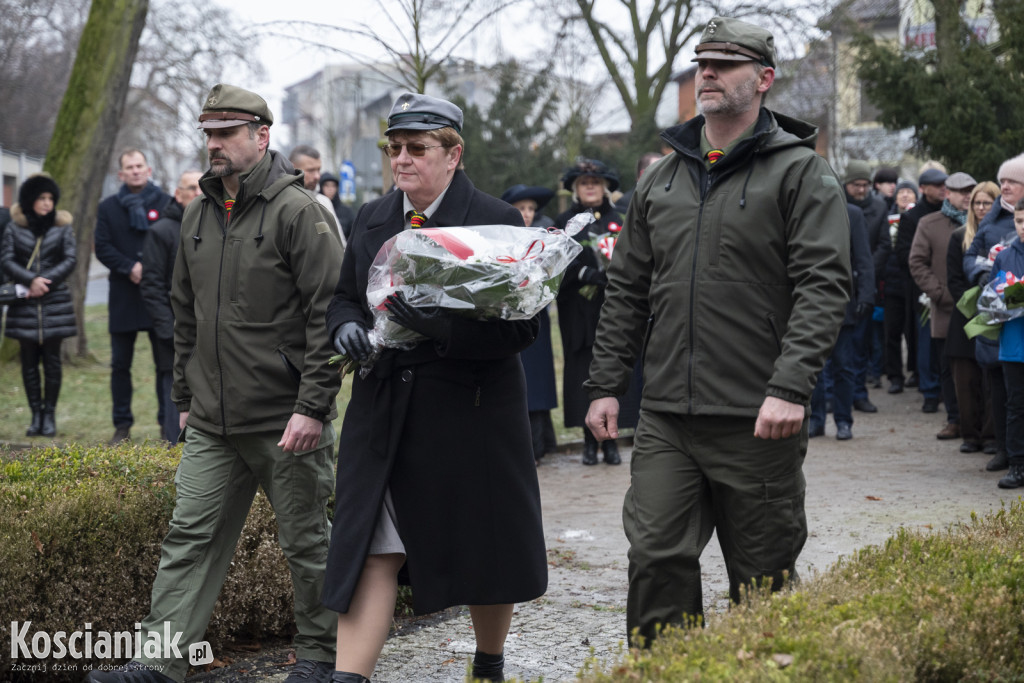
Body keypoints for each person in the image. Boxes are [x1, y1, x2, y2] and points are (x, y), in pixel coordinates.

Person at [584, 16, 850, 644]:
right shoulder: (661, 178)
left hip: (758, 415)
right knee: (655, 559)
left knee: (763, 580)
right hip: (667, 415)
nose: (708, 72)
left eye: (725, 64)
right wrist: (605, 384)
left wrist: (789, 387)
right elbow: (627, 289)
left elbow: (824, 285)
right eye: (703, 61)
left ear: (764, 79)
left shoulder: (800, 173)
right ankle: (663, 672)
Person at [85, 84, 343, 683]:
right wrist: (184, 397)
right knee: (189, 537)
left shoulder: (298, 212)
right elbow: (186, 311)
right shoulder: (198, 213)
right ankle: (159, 662)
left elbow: (328, 315)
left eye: (226, 133)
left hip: (286, 419)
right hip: (211, 420)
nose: (214, 144)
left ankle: (321, 655)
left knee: (306, 543)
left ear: (262, 135)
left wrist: (312, 407)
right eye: (209, 133)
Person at [322, 92, 547, 683]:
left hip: (469, 413)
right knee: (372, 545)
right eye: (394, 147)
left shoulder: (496, 220)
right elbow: (344, 297)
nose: (401, 159)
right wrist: (345, 327)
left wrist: (440, 327)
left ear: (453, 154)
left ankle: (489, 663)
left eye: (416, 148)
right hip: (383, 411)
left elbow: (524, 327)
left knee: (485, 547)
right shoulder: (371, 216)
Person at [555, 157, 641, 466]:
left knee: (613, 365)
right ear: (575, 189)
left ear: (605, 187)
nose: (590, 187)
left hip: (614, 309)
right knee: (583, 371)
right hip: (579, 312)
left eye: (595, 182)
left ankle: (612, 442)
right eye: (584, 183)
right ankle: (589, 443)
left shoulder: (621, 218)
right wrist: (585, 274)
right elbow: (555, 264)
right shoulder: (564, 222)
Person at [94, 149, 173, 444]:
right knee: (120, 365)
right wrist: (129, 267)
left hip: (158, 296)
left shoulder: (166, 203)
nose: (136, 171)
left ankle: (167, 424)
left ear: (148, 170)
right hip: (124, 295)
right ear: (121, 174)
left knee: (165, 364)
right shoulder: (108, 207)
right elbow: (102, 246)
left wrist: (151, 269)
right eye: (130, 167)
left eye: (140, 166)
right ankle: (122, 426)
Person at [0, 173, 76, 437]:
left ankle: (49, 415)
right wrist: (30, 280)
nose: (47, 203)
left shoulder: (62, 227)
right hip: (25, 305)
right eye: (42, 198)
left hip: (55, 303)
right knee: (29, 364)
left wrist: (45, 282)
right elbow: (7, 260)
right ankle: (35, 415)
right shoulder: (14, 228)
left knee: (53, 363)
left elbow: (70, 259)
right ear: (30, 199)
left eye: (50, 198)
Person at [964, 154, 1024, 473]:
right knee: (1001, 393)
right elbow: (971, 254)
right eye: (1002, 181)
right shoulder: (992, 218)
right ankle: (1005, 450)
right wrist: (983, 276)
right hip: (1003, 327)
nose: (1005, 186)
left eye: (1012, 181)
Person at [910, 171, 976, 441]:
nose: (967, 196)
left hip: (978, 307)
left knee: (978, 366)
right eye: (961, 191)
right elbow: (916, 262)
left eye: (970, 191)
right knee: (948, 367)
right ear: (948, 193)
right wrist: (939, 293)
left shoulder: (982, 221)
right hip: (947, 307)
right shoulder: (929, 223)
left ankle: (977, 422)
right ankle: (954, 419)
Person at [138, 170, 203, 444]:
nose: (198, 193)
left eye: (202, 188)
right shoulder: (161, 231)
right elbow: (151, 286)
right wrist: (168, 329)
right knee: (172, 389)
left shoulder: (212, 225)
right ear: (178, 194)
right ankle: (173, 445)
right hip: (172, 329)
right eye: (192, 188)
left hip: (205, 328)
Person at [502, 183, 559, 462]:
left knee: (540, 381)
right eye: (521, 208)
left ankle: (543, 442)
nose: (527, 213)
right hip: (513, 319)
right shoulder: (502, 240)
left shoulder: (543, 240)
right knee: (524, 381)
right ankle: (531, 445)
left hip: (539, 319)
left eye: (531, 208)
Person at [810, 203, 873, 440]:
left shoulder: (851, 214)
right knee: (812, 366)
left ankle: (844, 420)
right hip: (809, 301)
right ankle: (815, 420)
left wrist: (866, 295)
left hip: (842, 300)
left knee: (844, 366)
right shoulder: (804, 207)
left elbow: (863, 257)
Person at [946, 180, 999, 455]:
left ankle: (991, 435)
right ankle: (970, 434)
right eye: (976, 203)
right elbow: (954, 280)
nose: (980, 208)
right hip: (965, 318)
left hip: (996, 316)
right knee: (965, 382)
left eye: (986, 203)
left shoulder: (1005, 236)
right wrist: (974, 305)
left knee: (991, 381)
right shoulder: (959, 237)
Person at [897, 166, 949, 412]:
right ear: (923, 189)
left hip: (950, 287)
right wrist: (928, 281)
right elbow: (905, 256)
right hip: (923, 291)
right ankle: (929, 390)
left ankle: (947, 390)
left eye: (945, 185)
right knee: (926, 342)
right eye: (937, 186)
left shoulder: (952, 214)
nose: (942, 189)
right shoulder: (911, 218)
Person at [843, 160, 887, 413]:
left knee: (861, 345)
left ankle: (859, 393)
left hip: (866, 281)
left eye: (865, 185)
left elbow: (884, 245)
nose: (861, 190)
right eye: (856, 185)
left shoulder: (878, 208)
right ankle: (834, 395)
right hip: (842, 280)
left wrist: (866, 269)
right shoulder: (836, 205)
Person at [988, 197, 1024, 488]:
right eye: (1020, 221)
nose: (1023, 227)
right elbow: (991, 300)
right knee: (1016, 406)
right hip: (1014, 345)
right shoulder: (1005, 257)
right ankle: (1017, 464)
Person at [289, 144, 344, 246]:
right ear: (292, 168)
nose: (317, 176)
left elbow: (339, 243)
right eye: (311, 170)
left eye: (318, 170)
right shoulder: (282, 201)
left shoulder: (324, 202)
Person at [320, 172, 355, 240]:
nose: (330, 189)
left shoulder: (346, 212)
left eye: (333, 186)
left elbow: (352, 235)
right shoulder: (315, 208)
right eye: (327, 185)